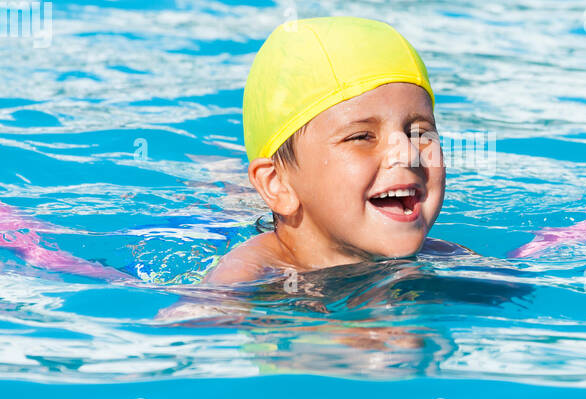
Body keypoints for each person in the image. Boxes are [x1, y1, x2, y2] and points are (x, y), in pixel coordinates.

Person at [201, 16, 470, 285]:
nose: (408, 153)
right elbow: (199, 316)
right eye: (362, 137)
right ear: (278, 184)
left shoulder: (445, 256)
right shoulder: (250, 270)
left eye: (420, 133)